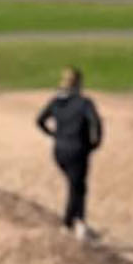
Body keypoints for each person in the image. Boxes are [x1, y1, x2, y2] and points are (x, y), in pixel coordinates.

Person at [36, 65, 102, 240]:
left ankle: (78, 222)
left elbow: (40, 120)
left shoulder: (56, 102)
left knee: (77, 186)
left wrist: (54, 135)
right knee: (77, 187)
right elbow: (96, 123)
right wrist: (94, 143)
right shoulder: (84, 103)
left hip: (59, 151)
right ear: (79, 83)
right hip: (78, 150)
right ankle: (70, 224)